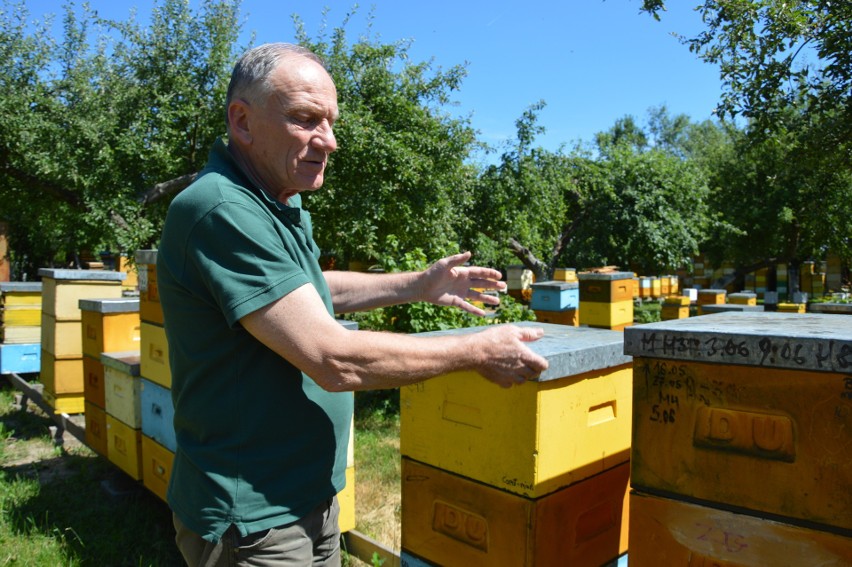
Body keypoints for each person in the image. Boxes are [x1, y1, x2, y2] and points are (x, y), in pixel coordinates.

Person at [157, 42, 549, 567]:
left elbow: (308, 290)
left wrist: (417, 284)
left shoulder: (277, 201)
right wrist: (476, 351)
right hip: (253, 517)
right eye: (306, 120)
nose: (330, 141)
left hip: (305, 494)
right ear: (243, 121)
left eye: (331, 121)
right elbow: (333, 358)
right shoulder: (221, 209)